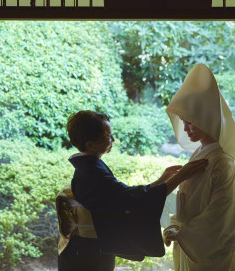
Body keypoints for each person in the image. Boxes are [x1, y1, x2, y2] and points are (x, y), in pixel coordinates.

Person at [56, 110, 208, 271]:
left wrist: (160, 181)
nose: (113, 139)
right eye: (108, 134)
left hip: (87, 248)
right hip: (86, 253)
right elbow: (130, 200)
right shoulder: (92, 172)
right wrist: (180, 177)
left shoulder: (89, 167)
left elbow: (122, 194)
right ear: (90, 145)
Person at [163, 63, 235, 271]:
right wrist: (176, 224)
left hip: (209, 254)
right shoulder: (200, 153)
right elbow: (186, 201)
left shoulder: (223, 161)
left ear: (206, 118)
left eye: (190, 122)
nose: (185, 129)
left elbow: (222, 214)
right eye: (184, 122)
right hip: (191, 246)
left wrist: (185, 234)